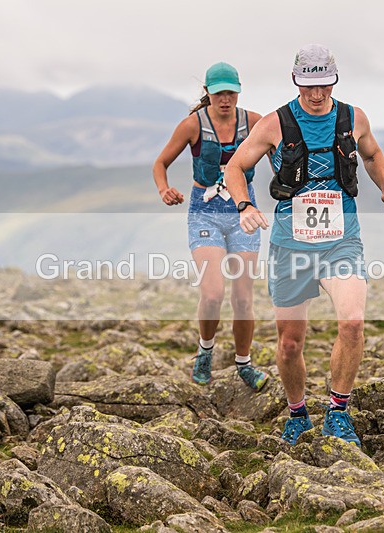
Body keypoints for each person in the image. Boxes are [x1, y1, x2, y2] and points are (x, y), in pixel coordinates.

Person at [224, 44, 384, 446]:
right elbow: (236, 166)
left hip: (342, 240)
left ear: (334, 81)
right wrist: (244, 205)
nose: (318, 93)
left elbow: (372, 154)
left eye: (325, 84)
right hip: (291, 245)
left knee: (352, 322)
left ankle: (338, 413)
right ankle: (297, 414)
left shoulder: (353, 118)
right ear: (296, 82)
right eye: (310, 86)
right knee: (290, 344)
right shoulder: (274, 124)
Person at [153, 62, 268, 391]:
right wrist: (164, 189)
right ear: (208, 93)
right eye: (219, 93)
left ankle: (244, 364)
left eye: (231, 93)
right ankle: (205, 352)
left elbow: (281, 157)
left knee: (243, 298)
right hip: (205, 214)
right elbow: (161, 163)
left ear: (239, 91)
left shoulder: (255, 123)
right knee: (214, 293)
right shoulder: (193, 125)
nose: (225, 99)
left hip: (243, 213)